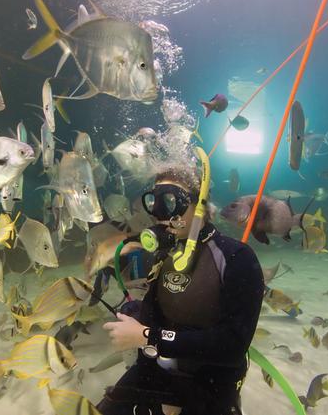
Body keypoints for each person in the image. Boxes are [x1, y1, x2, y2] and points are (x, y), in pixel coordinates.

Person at [99, 165, 265, 415]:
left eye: (171, 201)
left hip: (212, 382)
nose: (159, 214)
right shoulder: (166, 253)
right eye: (154, 202)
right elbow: (161, 313)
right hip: (160, 368)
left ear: (201, 207)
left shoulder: (236, 258)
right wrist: (137, 313)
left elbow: (232, 346)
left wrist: (147, 336)